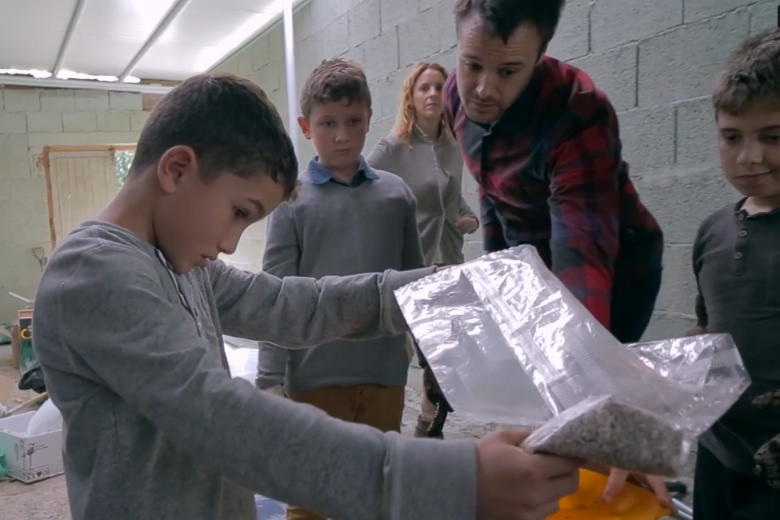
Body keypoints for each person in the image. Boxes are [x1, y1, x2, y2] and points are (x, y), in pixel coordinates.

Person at [31, 72, 582, 520]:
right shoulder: (93, 273)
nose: (228, 243)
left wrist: (445, 290)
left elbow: (295, 305)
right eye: (239, 213)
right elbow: (223, 419)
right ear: (177, 168)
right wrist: (455, 480)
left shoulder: (178, 262)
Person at [442, 0, 669, 507]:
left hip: (614, 269)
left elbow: (584, 253)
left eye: (507, 71)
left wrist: (591, 393)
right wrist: (500, 296)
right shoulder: (456, 97)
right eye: (472, 63)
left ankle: (607, 491)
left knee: (583, 406)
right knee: (530, 398)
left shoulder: (579, 111)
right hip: (534, 255)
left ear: (541, 54)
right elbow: (492, 196)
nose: (483, 88)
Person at [254, 58, 426, 520]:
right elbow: (275, 294)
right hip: (314, 379)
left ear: (369, 119)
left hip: (384, 375)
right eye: (328, 124)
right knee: (310, 497)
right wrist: (269, 380)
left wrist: (431, 357)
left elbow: (416, 286)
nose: (342, 135)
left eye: (353, 122)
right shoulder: (291, 201)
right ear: (306, 127)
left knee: (376, 491)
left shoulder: (396, 196)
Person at [687, 27, 780, 520]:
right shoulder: (711, 233)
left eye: (773, 137)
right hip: (718, 452)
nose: (750, 157)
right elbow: (710, 331)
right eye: (732, 137)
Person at [367, 61, 479, 439]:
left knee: (448, 357)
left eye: (439, 88)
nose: (432, 94)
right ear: (411, 100)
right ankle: (423, 431)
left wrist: (470, 220)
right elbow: (365, 185)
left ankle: (429, 425)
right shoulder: (393, 148)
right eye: (424, 88)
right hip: (413, 267)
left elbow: (454, 199)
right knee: (431, 353)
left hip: (449, 260)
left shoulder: (451, 146)